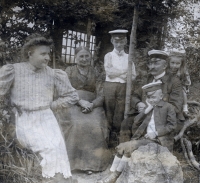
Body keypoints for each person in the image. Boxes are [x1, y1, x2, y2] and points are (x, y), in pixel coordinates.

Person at [0, 34, 79, 183]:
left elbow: (72, 96)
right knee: (50, 148)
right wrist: (7, 111)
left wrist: (53, 105)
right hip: (24, 119)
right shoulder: (13, 70)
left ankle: (58, 180)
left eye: (48, 53)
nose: (47, 57)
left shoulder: (52, 73)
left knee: (58, 148)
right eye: (43, 54)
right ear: (30, 54)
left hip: (47, 118)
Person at [97, 81, 177, 183]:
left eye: (154, 97)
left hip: (158, 140)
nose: (151, 100)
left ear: (161, 96)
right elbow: (136, 121)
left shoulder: (168, 107)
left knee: (128, 148)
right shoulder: (150, 108)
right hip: (145, 139)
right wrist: (147, 109)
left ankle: (114, 176)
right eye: (149, 98)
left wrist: (156, 133)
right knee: (122, 146)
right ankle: (112, 174)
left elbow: (172, 126)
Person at [56, 46, 111, 174]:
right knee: (76, 123)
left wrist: (92, 105)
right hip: (72, 103)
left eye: (87, 56)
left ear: (90, 57)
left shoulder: (95, 72)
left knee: (95, 124)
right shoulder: (69, 71)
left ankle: (92, 165)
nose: (84, 59)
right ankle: (72, 164)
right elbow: (63, 90)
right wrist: (79, 101)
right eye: (81, 56)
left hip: (92, 105)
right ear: (75, 58)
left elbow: (101, 94)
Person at [119, 50, 184, 143]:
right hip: (144, 114)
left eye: (156, 63)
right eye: (150, 63)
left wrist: (154, 109)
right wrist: (138, 103)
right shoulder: (147, 78)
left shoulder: (174, 81)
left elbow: (176, 106)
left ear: (165, 66)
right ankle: (123, 152)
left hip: (165, 118)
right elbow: (134, 95)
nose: (152, 67)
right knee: (126, 123)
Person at [103, 29, 136, 144]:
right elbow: (109, 73)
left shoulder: (129, 57)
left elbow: (132, 76)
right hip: (110, 86)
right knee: (109, 110)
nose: (118, 44)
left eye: (121, 42)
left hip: (123, 87)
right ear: (112, 41)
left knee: (120, 111)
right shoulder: (108, 56)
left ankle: (117, 137)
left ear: (125, 41)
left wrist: (120, 74)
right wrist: (124, 72)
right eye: (116, 42)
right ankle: (106, 136)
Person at [168, 51, 191, 116]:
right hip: (169, 86)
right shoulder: (167, 70)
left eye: (177, 63)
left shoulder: (182, 71)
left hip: (180, 87)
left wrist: (186, 88)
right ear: (169, 62)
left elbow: (187, 82)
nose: (174, 66)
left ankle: (185, 108)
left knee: (183, 93)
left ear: (181, 64)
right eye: (172, 63)